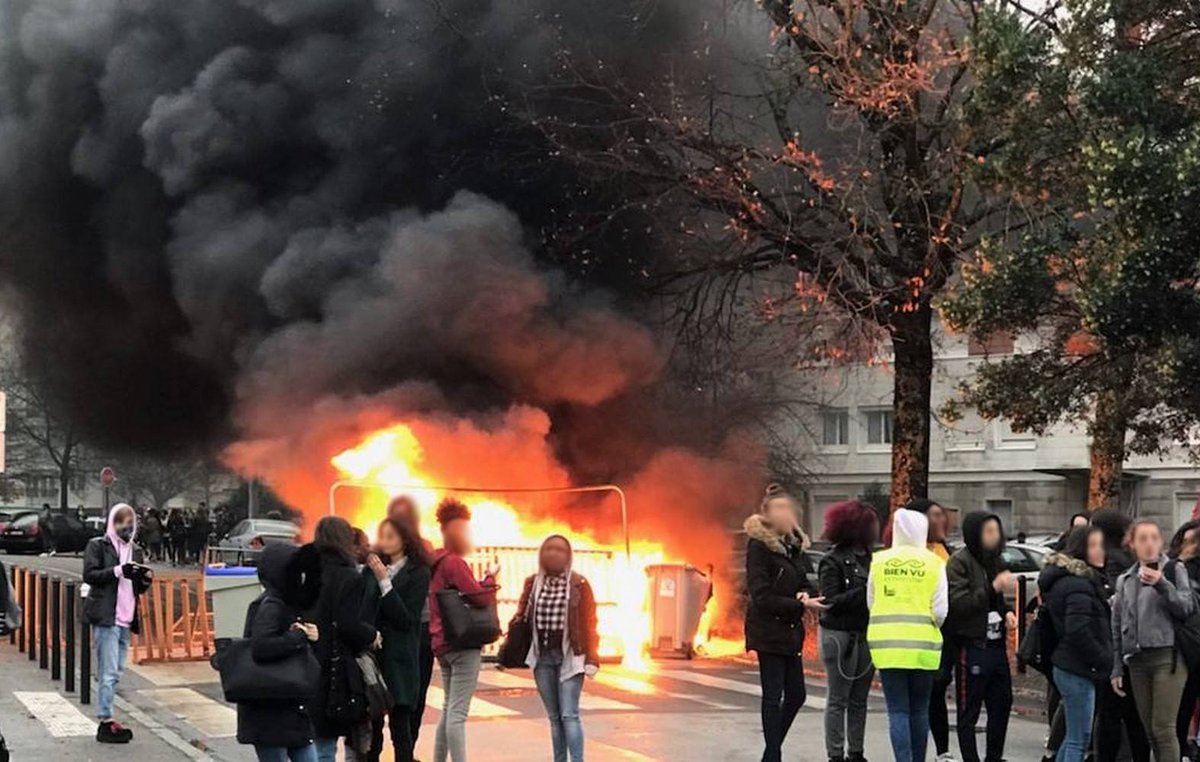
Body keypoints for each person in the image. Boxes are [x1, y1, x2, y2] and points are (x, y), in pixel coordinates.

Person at [743, 483, 825, 762]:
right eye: (779, 509)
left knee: (797, 695)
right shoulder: (759, 546)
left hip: (791, 629)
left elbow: (804, 581)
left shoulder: (794, 547)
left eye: (788, 508)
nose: (786, 514)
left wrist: (806, 594)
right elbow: (761, 594)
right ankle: (774, 754)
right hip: (768, 628)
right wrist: (798, 603)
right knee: (773, 694)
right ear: (767, 513)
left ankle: (771, 751)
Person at [866, 508, 948, 762]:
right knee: (920, 710)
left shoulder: (879, 561)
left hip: (887, 647)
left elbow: (871, 601)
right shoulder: (934, 562)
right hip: (923, 646)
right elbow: (941, 610)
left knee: (898, 710)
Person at [1112, 518, 1195, 762]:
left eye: (1154, 538)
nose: (1149, 544)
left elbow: (1185, 607)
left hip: (1167, 658)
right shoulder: (1125, 580)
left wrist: (1161, 584)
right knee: (1149, 730)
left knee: (1163, 728)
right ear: (1133, 545)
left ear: (1161, 542)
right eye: (1143, 539)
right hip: (1137, 660)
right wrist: (1117, 666)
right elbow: (1117, 624)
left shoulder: (1173, 570)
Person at [513, 535, 601, 762]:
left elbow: (590, 622)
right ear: (541, 554)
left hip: (571, 658)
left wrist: (592, 658)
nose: (553, 553)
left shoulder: (579, 584)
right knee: (554, 718)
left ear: (568, 555)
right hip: (542, 658)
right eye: (549, 549)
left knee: (569, 715)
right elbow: (521, 616)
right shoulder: (532, 583)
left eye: (560, 550)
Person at [236, 543, 322, 762]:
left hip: (285, 706)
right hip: (271, 708)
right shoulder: (271, 604)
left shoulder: (281, 602)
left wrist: (306, 635)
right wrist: (298, 637)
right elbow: (262, 645)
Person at [428, 498, 498, 762]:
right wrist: (491, 578)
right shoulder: (454, 562)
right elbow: (478, 597)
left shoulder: (434, 561)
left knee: (448, 709)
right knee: (458, 713)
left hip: (441, 642)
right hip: (462, 643)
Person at [306, 516, 380, 762]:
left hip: (305, 660)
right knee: (327, 746)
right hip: (334, 666)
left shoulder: (308, 572)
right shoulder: (349, 577)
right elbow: (348, 624)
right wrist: (372, 635)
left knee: (311, 741)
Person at [1038, 526, 1113, 762]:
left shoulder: (1074, 581)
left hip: (1071, 665)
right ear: (1081, 550)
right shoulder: (1079, 585)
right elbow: (1078, 629)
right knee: (1078, 739)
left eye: (1101, 545)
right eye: (1094, 546)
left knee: (1073, 736)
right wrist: (1102, 657)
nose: (1101, 551)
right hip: (1077, 667)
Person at [945, 510, 1015, 762]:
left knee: (1002, 704)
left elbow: (995, 602)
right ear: (975, 533)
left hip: (996, 645)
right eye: (988, 531)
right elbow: (959, 603)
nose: (995, 536)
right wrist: (991, 588)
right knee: (969, 709)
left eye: (997, 530)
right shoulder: (959, 562)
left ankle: (994, 757)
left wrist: (1007, 611)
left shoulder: (996, 560)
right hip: (971, 645)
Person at [361, 516, 432, 762]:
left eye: (391, 536)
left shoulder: (419, 572)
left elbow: (406, 619)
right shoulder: (371, 569)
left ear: (405, 539)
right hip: (373, 654)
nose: (385, 542)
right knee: (372, 726)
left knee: (401, 726)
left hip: (400, 656)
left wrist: (385, 582)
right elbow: (364, 609)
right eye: (383, 536)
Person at [83, 503, 153, 743]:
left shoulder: (136, 550)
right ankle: (105, 719)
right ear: (112, 523)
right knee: (108, 671)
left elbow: (138, 587)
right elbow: (90, 575)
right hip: (106, 616)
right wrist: (117, 571)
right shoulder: (98, 546)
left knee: (117, 671)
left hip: (127, 617)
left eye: (130, 524)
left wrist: (144, 579)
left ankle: (108, 716)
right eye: (122, 523)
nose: (127, 528)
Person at [817, 500, 878, 762]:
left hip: (866, 632)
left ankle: (856, 752)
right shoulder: (833, 561)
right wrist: (866, 592)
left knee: (859, 699)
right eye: (872, 523)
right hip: (839, 634)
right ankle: (835, 753)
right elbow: (830, 600)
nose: (877, 528)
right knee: (838, 697)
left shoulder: (875, 558)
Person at [1091, 508, 1151, 762]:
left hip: (1115, 646)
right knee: (1134, 716)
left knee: (1110, 716)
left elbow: (1116, 600)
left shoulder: (1112, 560)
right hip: (1134, 647)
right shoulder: (1130, 558)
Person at [903, 498, 956, 762]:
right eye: (935, 516)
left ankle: (942, 750)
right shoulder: (911, 553)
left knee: (938, 691)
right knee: (926, 695)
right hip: (921, 631)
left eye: (941, 515)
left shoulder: (944, 549)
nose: (941, 520)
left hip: (946, 632)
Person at [387, 495, 435, 749]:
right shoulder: (384, 549)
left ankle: (406, 748)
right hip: (394, 632)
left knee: (412, 696)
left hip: (418, 630)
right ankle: (404, 748)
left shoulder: (423, 550)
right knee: (403, 697)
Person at [1170, 520, 1200, 759]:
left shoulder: (1182, 569)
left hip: (1189, 648)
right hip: (1189, 648)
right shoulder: (1179, 570)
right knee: (1183, 708)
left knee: (1183, 708)